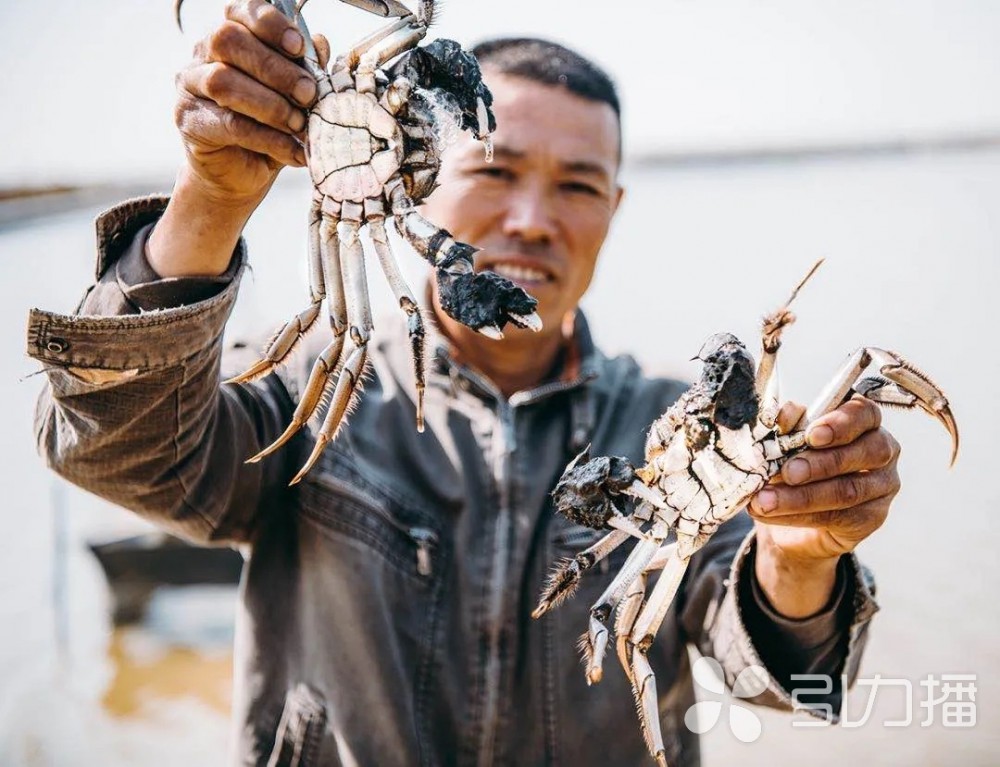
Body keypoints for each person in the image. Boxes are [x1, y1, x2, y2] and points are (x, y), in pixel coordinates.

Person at [28, 2, 900, 765]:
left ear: (615, 209)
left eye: (577, 185)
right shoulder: (313, 389)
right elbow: (114, 450)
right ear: (423, 160)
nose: (532, 218)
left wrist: (799, 553)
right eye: (493, 167)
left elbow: (784, 679)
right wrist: (210, 200)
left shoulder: (671, 428)